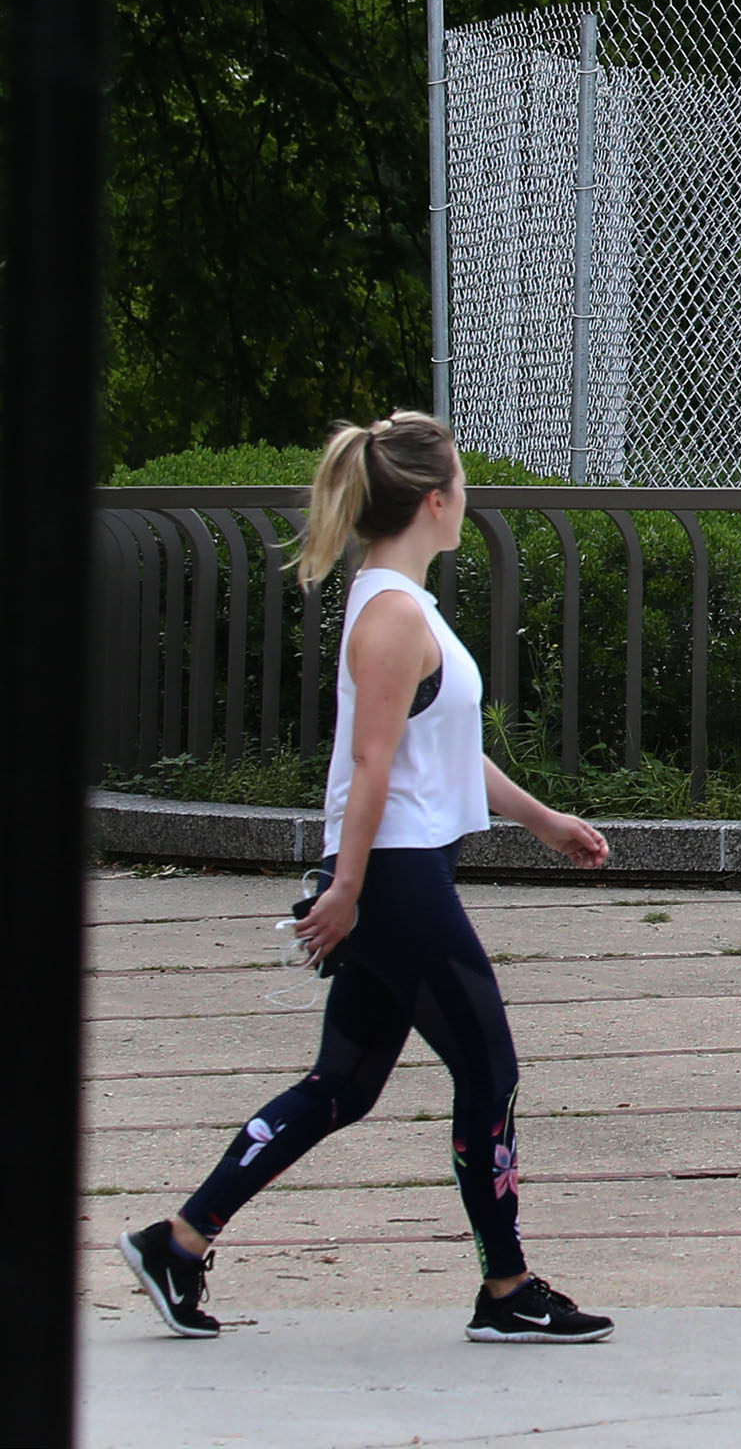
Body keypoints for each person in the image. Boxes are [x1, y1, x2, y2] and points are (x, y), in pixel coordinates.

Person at [119, 411, 616, 1342]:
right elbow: (371, 767)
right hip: (393, 878)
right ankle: (507, 1292)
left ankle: (178, 1244)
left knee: (342, 1086)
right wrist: (345, 889)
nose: (468, 499)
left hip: (397, 871)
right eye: (462, 485)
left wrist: (543, 822)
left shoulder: (403, 605)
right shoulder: (391, 616)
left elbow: (444, 754)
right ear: (434, 501)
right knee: (490, 1071)